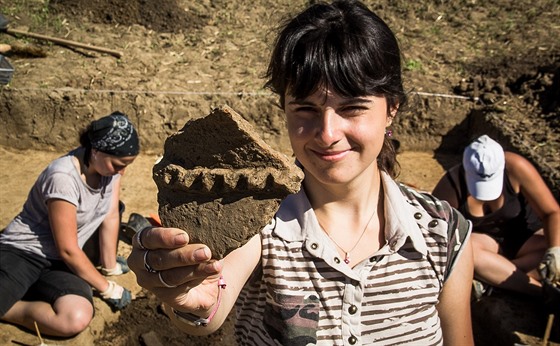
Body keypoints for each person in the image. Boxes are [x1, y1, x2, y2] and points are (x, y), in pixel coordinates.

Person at [128, 1, 474, 345]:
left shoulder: (444, 234)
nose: (327, 133)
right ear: (284, 109)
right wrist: (190, 298)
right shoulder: (258, 217)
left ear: (391, 110)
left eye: (352, 108)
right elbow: (210, 303)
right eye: (305, 109)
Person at [0, 112, 139, 337]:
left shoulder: (110, 171)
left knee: (76, 317)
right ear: (96, 151)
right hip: (24, 253)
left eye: (127, 165)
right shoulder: (63, 177)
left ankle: (15, 304)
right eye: (119, 164)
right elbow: (68, 249)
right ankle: (8, 305)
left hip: (58, 264)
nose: (122, 171)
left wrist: (109, 265)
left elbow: (111, 215)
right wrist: (106, 288)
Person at [432, 134, 560, 298]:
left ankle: (491, 279)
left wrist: (555, 251)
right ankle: (541, 293)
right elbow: (437, 236)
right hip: (485, 250)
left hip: (527, 240)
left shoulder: (517, 167)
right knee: (467, 250)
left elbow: (551, 212)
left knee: (554, 243)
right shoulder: (451, 186)